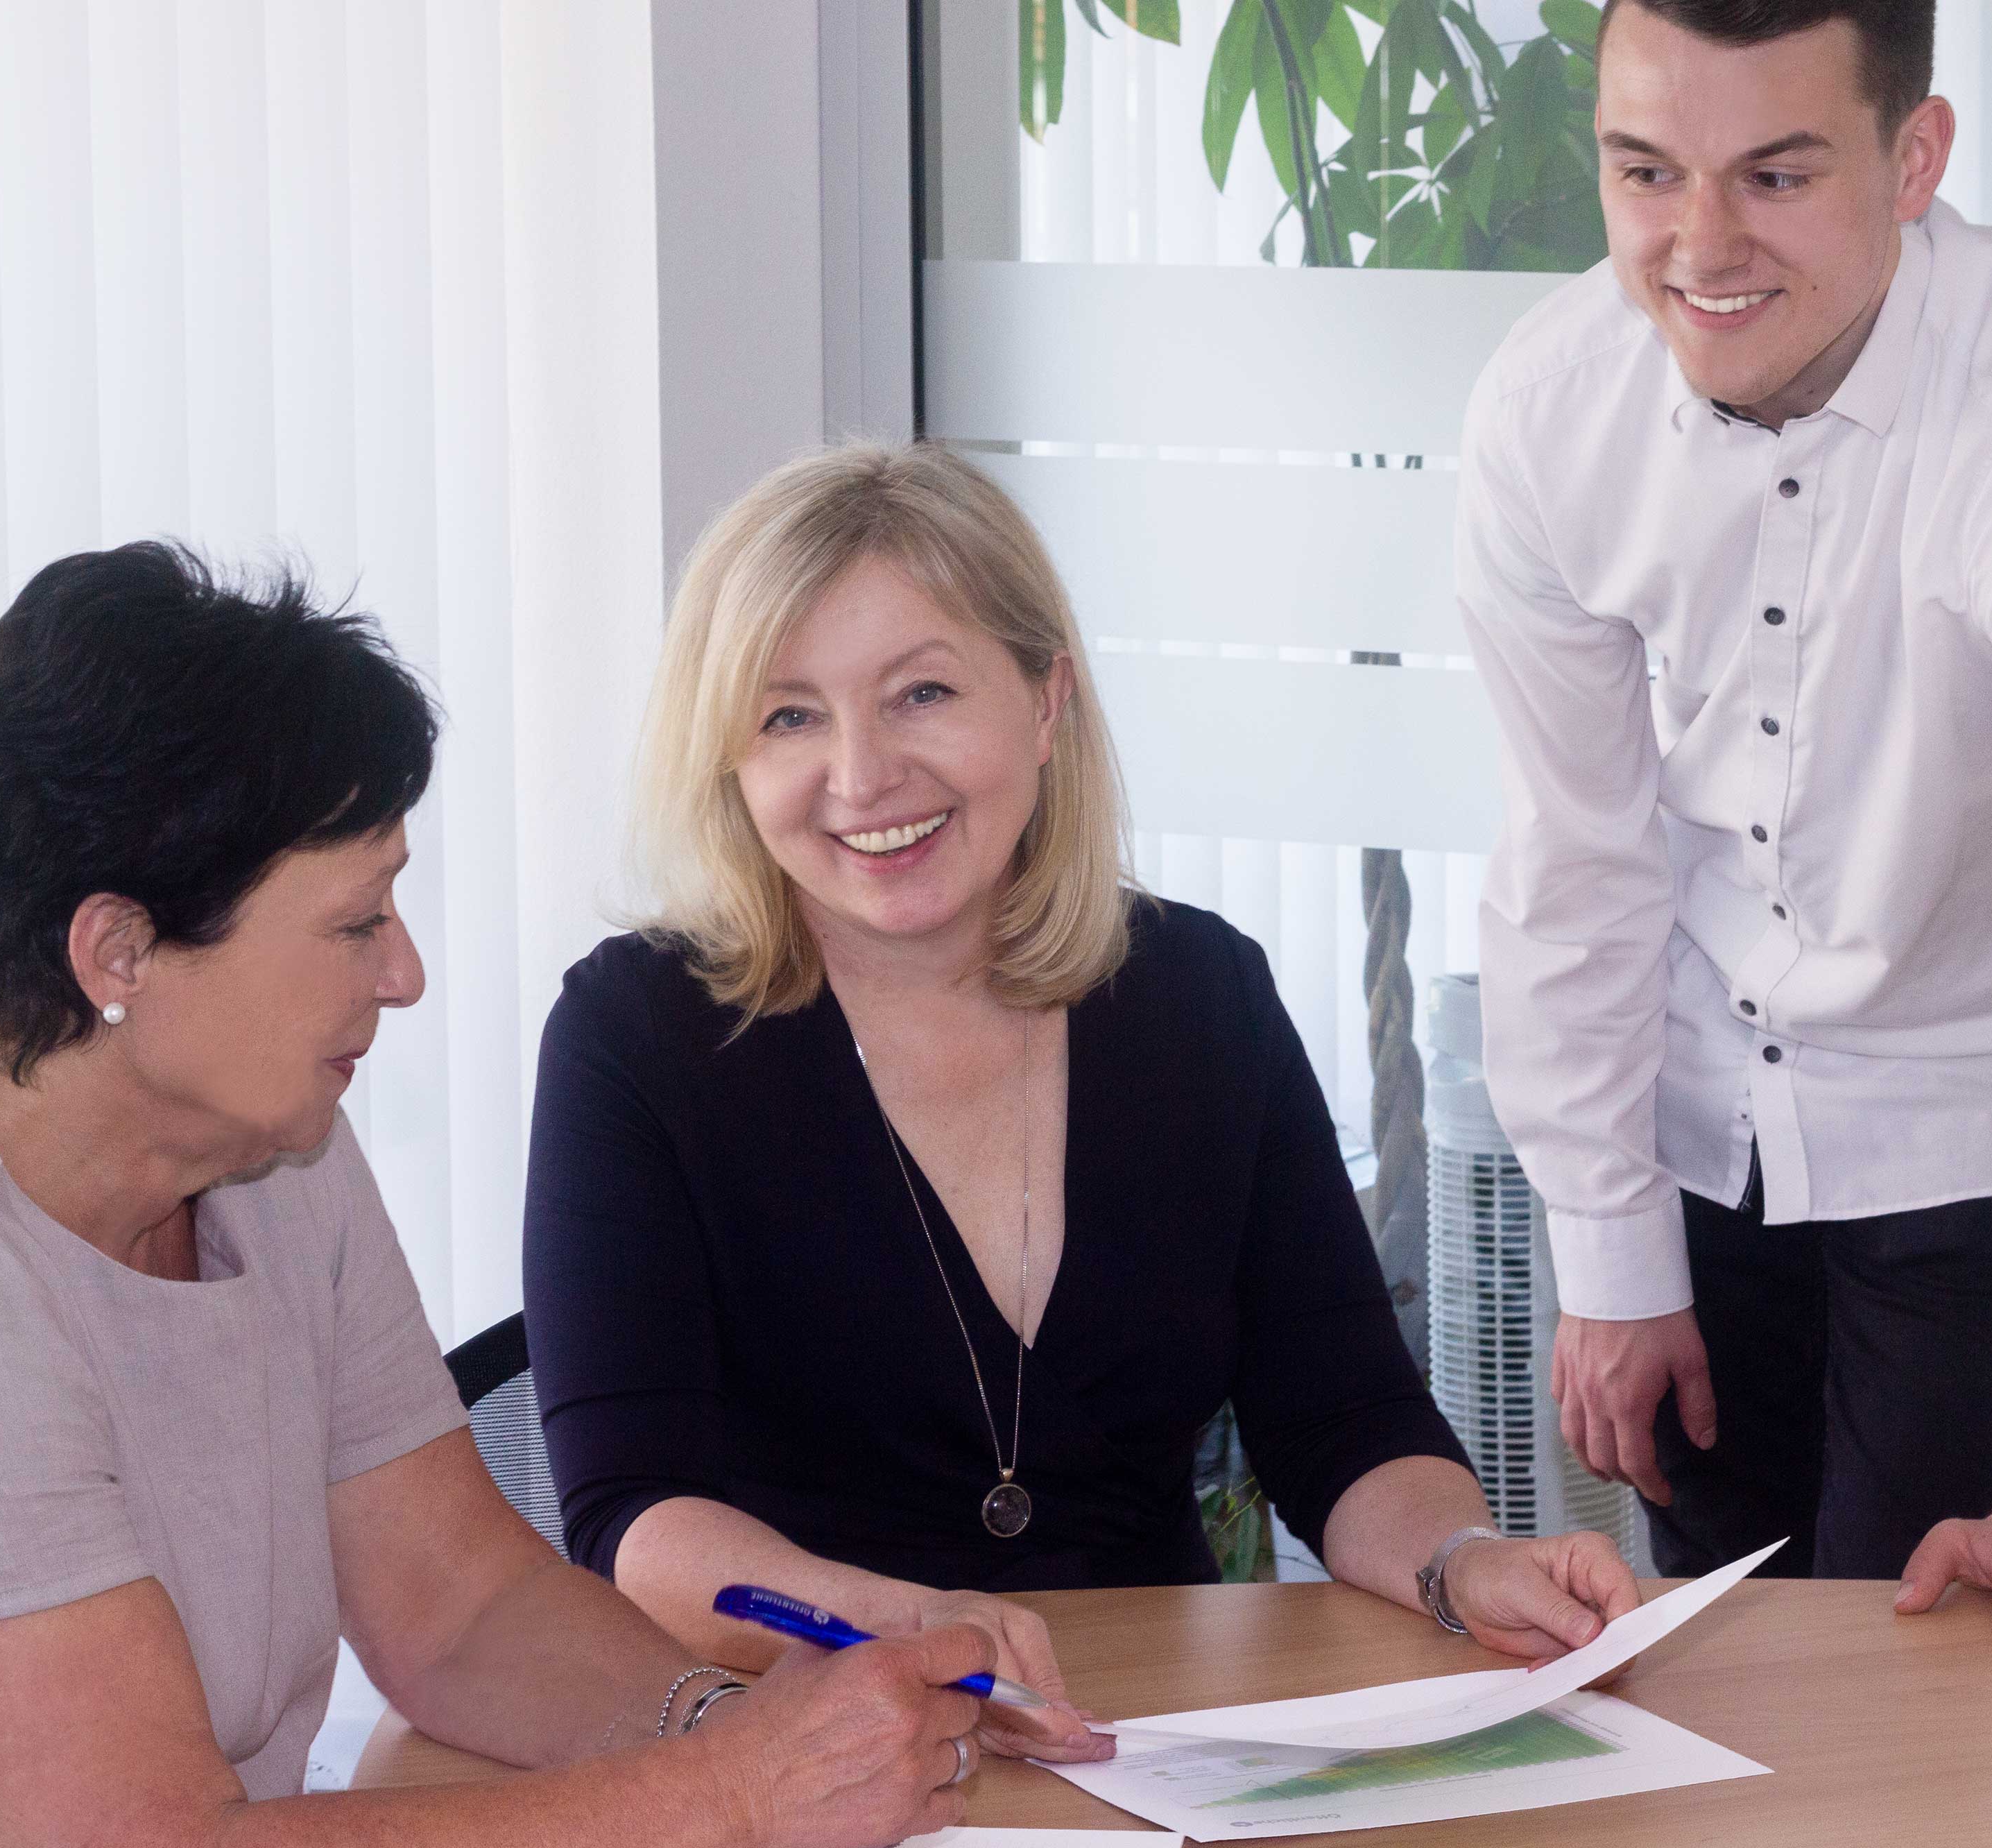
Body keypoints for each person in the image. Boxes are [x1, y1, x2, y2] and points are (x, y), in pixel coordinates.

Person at [0, 542, 990, 1848]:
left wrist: (727, 1726)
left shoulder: (264, 1151)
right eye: (358, 921)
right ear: (120, 951)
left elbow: (461, 1610)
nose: (407, 973)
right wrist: (740, 1792)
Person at [522, 443, 1641, 1765]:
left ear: (1045, 702)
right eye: (789, 718)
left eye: (922, 692)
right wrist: (913, 1629)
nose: (862, 775)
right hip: (809, 1746)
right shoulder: (635, 1034)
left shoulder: (1200, 996)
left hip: (1161, 1740)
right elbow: (636, 1518)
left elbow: (1345, 1424)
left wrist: (1461, 1564)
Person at [1456, 0, 1992, 1659]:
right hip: (1689, 1118)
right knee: (1706, 1680)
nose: (1701, 245)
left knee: (1942, 1688)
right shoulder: (1548, 408)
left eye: (1777, 175)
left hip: (1961, 1127)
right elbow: (1571, 854)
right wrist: (1608, 1246)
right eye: (1646, 171)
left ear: (1917, 158)